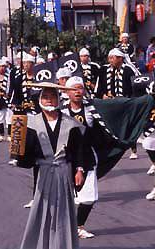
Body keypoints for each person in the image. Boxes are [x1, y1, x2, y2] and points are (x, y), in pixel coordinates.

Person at [16, 83, 85, 249]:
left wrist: (79, 169)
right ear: (40, 99)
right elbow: (26, 157)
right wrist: (18, 150)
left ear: (58, 99)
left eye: (52, 96)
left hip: (64, 172)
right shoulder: (32, 124)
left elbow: (79, 150)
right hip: (43, 172)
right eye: (45, 97)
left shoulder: (71, 123)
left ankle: (62, 244)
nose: (49, 101)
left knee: (63, 211)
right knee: (42, 209)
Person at [61, 76, 98, 239]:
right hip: (66, 156)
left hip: (87, 156)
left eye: (80, 88)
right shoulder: (61, 111)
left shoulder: (92, 110)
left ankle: (78, 226)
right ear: (67, 92)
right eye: (73, 89)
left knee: (90, 196)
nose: (77, 91)